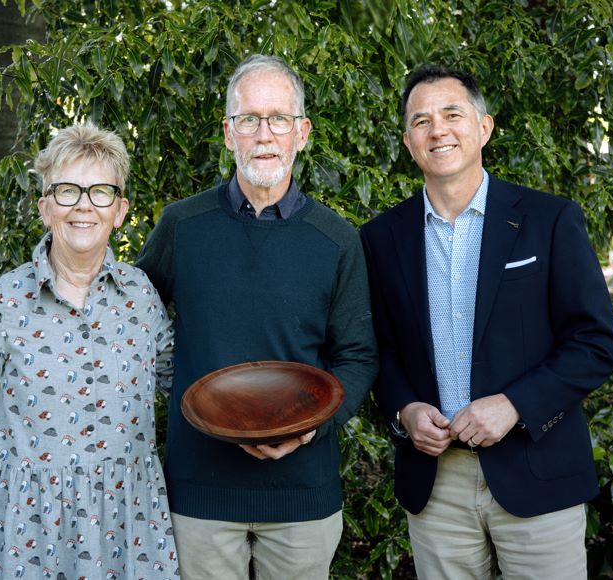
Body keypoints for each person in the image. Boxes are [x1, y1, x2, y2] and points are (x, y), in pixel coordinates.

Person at [359, 65, 613, 579]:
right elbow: (380, 350)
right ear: (409, 141)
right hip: (436, 484)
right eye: (421, 121)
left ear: (485, 127)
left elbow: (594, 343)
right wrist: (406, 410)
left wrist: (514, 405)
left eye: (452, 114)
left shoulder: (550, 220)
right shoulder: (380, 238)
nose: (438, 130)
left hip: (537, 469)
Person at [135, 54, 377, 580]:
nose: (264, 134)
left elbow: (358, 356)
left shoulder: (337, 240)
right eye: (249, 119)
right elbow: (128, 322)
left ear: (302, 132)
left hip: (303, 497)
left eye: (279, 119)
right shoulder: (183, 226)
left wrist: (314, 429)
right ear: (228, 133)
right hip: (199, 492)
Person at [0, 122, 179, 579]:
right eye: (67, 191)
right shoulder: (3, 304)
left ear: (120, 210)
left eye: (100, 191)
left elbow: (183, 385)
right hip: (18, 530)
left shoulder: (141, 299)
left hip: (125, 528)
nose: (84, 204)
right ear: (45, 208)